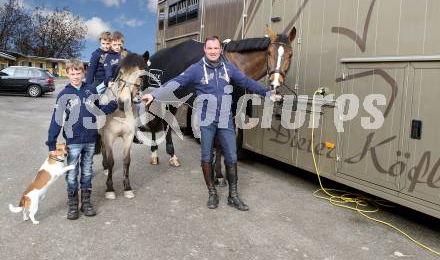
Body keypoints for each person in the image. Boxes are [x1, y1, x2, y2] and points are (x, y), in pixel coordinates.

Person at [141, 36, 280, 211]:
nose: (213, 51)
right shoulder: (196, 69)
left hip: (225, 120)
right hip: (206, 121)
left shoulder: (229, 68)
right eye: (210, 48)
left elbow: (246, 82)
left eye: (216, 48)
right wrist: (155, 94)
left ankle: (233, 196)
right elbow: (177, 82)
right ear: (205, 50)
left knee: (231, 157)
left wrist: (267, 93)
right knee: (206, 157)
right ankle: (212, 193)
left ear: (220, 50)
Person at [46, 58, 117, 220]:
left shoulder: (91, 90)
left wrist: (113, 105)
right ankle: (72, 205)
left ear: (83, 73)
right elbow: (56, 119)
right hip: (73, 141)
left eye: (78, 73)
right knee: (72, 174)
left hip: (91, 140)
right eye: (72, 73)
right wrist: (51, 142)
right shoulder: (64, 95)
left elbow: (100, 109)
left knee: (86, 173)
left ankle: (86, 203)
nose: (76, 76)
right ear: (67, 73)